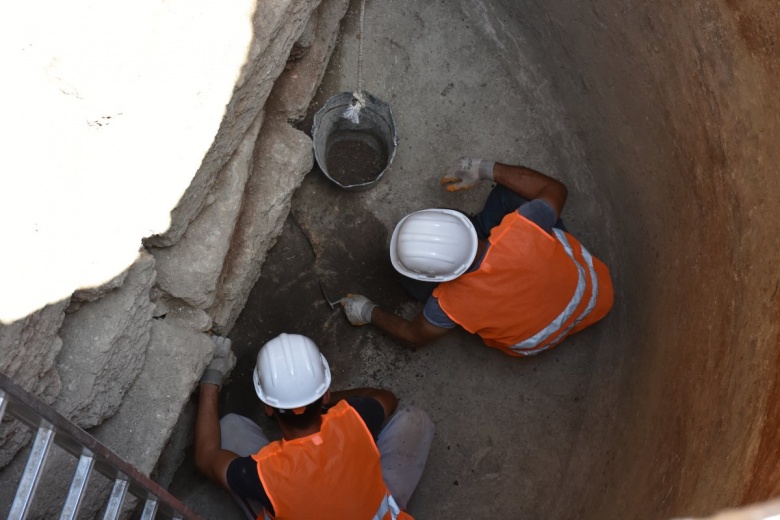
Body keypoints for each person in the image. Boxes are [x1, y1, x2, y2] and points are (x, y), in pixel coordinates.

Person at [339, 157, 614, 357]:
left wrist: (367, 312)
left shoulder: (449, 304)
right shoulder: (521, 228)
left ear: (440, 279)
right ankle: (478, 228)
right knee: (510, 195)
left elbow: (414, 335)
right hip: (597, 293)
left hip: (538, 340)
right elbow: (556, 190)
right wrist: (485, 169)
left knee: (401, 272)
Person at [194, 333, 435, 519]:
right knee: (416, 421)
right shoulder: (355, 418)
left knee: (230, 427)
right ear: (326, 394)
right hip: (373, 512)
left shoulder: (263, 476)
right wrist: (323, 402)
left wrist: (211, 378)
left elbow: (206, 457)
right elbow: (386, 398)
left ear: (268, 407)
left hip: (280, 487)